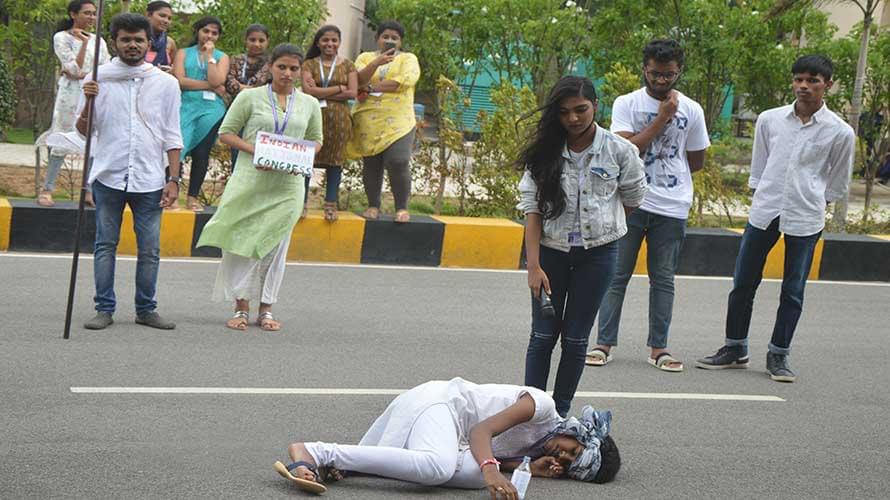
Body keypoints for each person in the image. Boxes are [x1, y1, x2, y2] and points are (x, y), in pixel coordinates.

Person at [697, 55, 855, 383]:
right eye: (799, 79)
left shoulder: (840, 131)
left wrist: (813, 201)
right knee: (743, 283)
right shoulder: (770, 120)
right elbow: (759, 167)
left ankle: (779, 355)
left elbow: (837, 183)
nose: (803, 86)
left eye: (812, 80)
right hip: (765, 211)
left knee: (793, 290)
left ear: (828, 84)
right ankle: (735, 348)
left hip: (805, 216)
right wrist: (763, 196)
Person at [518, 76, 647, 418]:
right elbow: (532, 209)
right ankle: (531, 414)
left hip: (599, 256)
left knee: (576, 339)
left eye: (581, 109)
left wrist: (605, 226)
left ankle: (559, 415)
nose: (573, 118)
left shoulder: (619, 150)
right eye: (564, 112)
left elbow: (633, 197)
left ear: (596, 106)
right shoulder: (545, 150)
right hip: (550, 254)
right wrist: (534, 266)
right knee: (542, 336)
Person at [273, 378, 620, 496]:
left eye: (568, 465)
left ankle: (351, 467)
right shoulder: (541, 407)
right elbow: (481, 432)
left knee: (474, 478)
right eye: (573, 452)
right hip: (440, 403)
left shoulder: (539, 450)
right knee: (440, 468)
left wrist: (523, 467)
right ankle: (317, 452)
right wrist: (492, 470)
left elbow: (486, 456)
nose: (562, 457)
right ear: (580, 434)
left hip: (449, 433)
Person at [587, 39, 710, 373]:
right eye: (655, 73)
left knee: (663, 279)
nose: (660, 80)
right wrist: (662, 118)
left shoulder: (693, 109)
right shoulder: (627, 103)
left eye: (668, 74)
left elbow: (696, 160)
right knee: (616, 275)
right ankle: (603, 344)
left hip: (672, 206)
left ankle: (659, 349)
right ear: (644, 69)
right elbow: (625, 150)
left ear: (679, 72)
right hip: (630, 201)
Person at [196, 44, 322, 332]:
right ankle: (241, 307)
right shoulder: (249, 97)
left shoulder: (309, 104)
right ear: (271, 67)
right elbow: (226, 133)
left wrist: (296, 156)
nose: (287, 73)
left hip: (288, 185)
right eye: (282, 67)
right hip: (250, 181)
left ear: (300, 71)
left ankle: (266, 309)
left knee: (276, 247)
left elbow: (316, 140)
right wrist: (261, 152)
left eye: (293, 68)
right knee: (242, 243)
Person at [78, 13, 183, 331]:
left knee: (149, 250)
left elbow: (172, 134)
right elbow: (84, 131)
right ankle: (104, 309)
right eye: (126, 39)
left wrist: (173, 179)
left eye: (139, 39)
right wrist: (89, 101)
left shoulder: (166, 83)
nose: (132, 45)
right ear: (115, 43)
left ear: (149, 43)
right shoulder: (98, 79)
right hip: (108, 176)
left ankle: (146, 309)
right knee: (105, 245)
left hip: (149, 179)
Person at [36, 0, 110, 208]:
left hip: (94, 93)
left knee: (94, 141)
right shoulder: (61, 37)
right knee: (61, 138)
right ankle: (47, 189)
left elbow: (105, 69)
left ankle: (88, 190)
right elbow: (73, 68)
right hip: (70, 95)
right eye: (87, 13)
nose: (91, 17)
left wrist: (82, 74)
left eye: (93, 14)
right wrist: (83, 44)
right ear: (73, 14)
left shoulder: (99, 41)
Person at [348, 20, 420, 223]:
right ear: (377, 39)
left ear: (400, 42)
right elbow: (357, 80)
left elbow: (405, 81)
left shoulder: (408, 59)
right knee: (372, 163)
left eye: (394, 38)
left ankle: (402, 207)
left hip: (399, 120)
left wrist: (371, 88)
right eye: (385, 36)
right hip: (368, 118)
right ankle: (373, 205)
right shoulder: (365, 58)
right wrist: (376, 64)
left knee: (398, 161)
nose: (390, 41)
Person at [301, 25, 358, 221]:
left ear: (339, 42)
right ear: (318, 43)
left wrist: (321, 91)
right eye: (325, 40)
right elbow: (309, 92)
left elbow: (352, 92)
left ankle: (330, 204)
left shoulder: (348, 65)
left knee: (335, 161)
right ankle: (301, 203)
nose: (330, 44)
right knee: (307, 159)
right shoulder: (308, 64)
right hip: (312, 116)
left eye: (334, 40)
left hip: (339, 120)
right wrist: (340, 88)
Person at [172, 16, 228, 212]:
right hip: (185, 106)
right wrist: (211, 86)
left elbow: (217, 80)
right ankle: (171, 193)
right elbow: (180, 81)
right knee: (177, 148)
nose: (209, 36)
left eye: (214, 33)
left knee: (202, 152)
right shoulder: (183, 53)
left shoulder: (221, 57)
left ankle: (192, 198)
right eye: (206, 31)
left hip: (211, 110)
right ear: (197, 32)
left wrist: (210, 57)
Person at [145, 1, 177, 71]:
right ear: (149, 15)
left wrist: (170, 71)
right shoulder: (136, 39)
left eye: (169, 18)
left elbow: (175, 68)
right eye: (162, 16)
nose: (166, 21)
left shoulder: (170, 42)